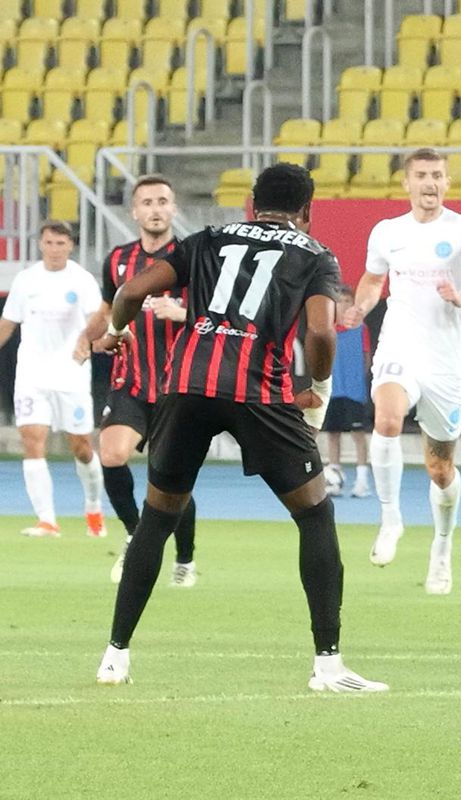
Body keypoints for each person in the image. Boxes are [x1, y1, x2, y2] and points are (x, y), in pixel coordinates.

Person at [91, 163, 387, 692]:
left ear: (252, 203)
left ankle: (114, 656)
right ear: (307, 209)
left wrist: (116, 332)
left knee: (156, 520)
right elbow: (321, 330)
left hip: (185, 386)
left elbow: (132, 290)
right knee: (315, 515)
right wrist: (317, 391)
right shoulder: (315, 253)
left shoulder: (206, 239)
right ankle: (328, 666)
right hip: (258, 391)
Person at [344, 147, 461, 594]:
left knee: (440, 470)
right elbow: (372, 277)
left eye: (437, 175)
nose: (430, 183)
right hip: (400, 344)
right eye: (421, 175)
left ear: (447, 182)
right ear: (406, 182)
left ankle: (442, 548)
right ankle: (390, 519)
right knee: (385, 419)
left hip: (443, 362)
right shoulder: (387, 232)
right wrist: (362, 306)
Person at [74, 175, 198, 586]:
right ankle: (135, 535)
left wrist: (182, 313)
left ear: (174, 208)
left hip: (176, 387)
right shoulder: (119, 260)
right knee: (111, 455)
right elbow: (110, 309)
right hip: (130, 381)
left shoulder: (192, 258)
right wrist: (95, 337)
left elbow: (221, 316)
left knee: (170, 478)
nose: (156, 209)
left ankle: (184, 557)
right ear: (135, 211)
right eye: (147, 202)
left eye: (163, 201)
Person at [0, 221, 106, 538]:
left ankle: (93, 507)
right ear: (41, 244)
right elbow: (8, 323)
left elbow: (96, 320)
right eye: (49, 243)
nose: (55, 249)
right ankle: (47, 520)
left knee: (82, 448)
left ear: (70, 246)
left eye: (61, 243)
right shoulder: (26, 280)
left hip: (71, 375)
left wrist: (91, 343)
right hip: (32, 375)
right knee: (32, 443)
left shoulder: (82, 281)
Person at [321, 284, 372, 499]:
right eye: (339, 302)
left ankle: (362, 481)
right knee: (333, 434)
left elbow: (367, 358)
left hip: (354, 391)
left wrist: (357, 378)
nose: (344, 306)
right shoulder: (326, 328)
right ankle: (334, 477)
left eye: (348, 302)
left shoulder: (361, 329)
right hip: (332, 391)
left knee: (358, 435)